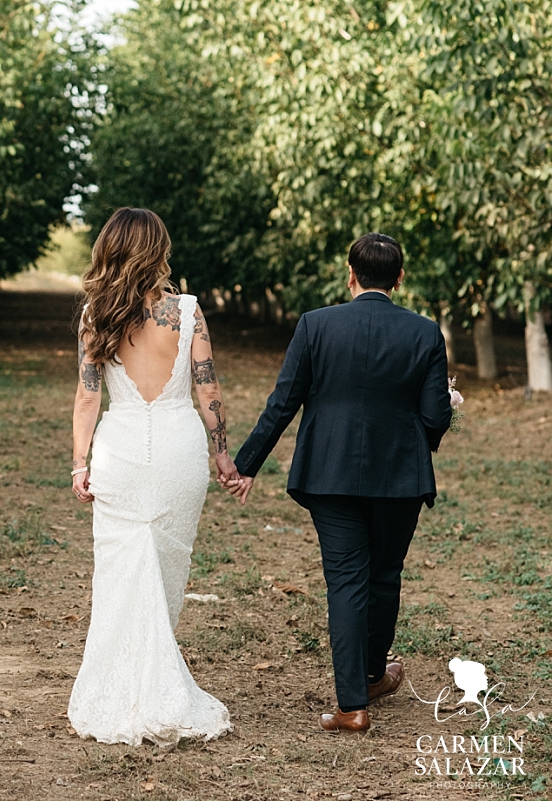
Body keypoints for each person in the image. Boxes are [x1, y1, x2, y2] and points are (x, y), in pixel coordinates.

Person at [225, 233, 452, 733]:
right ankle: (371, 675)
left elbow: (283, 402)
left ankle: (354, 704)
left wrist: (246, 466)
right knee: (385, 573)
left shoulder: (315, 325)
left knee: (347, 580)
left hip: (329, 473)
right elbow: (435, 415)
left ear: (350, 274)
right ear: (399, 278)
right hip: (400, 475)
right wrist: (421, 433)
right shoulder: (425, 333)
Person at [67, 207, 235, 746]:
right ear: (158, 249)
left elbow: (88, 396)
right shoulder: (186, 312)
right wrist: (223, 455)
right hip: (178, 452)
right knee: (165, 569)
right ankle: (156, 687)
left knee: (118, 573)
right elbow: (208, 390)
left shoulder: (98, 313)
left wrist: (80, 462)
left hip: (118, 452)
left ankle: (121, 689)